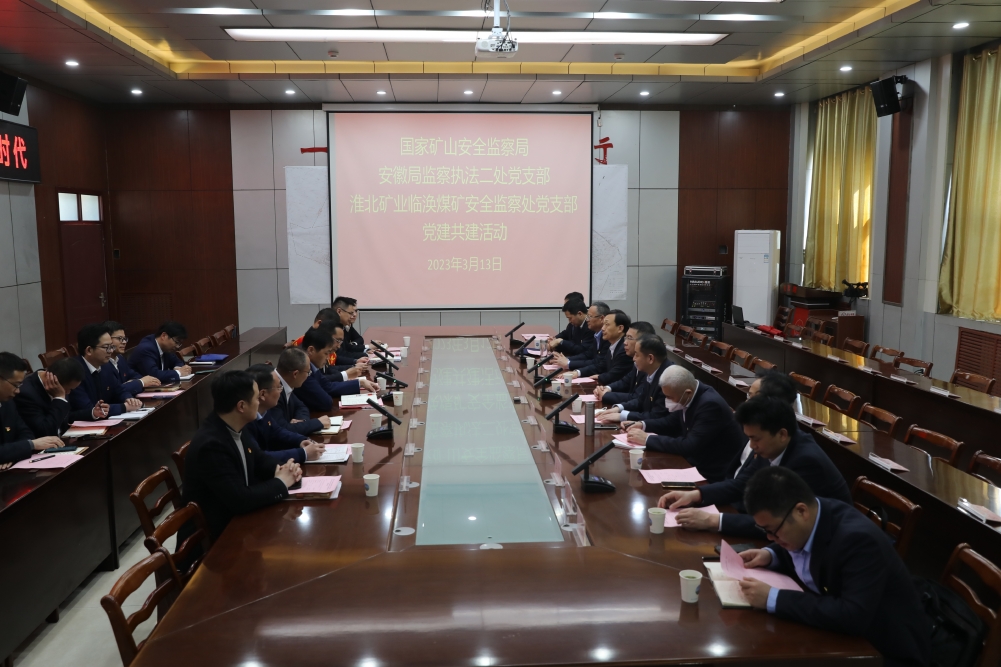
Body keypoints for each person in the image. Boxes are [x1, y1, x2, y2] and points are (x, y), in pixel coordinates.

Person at [738, 466, 931, 667]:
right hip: (839, 635)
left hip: (882, 650)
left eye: (773, 531)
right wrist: (771, 555)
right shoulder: (815, 514)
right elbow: (800, 546)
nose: (770, 538)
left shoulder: (859, 541)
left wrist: (773, 598)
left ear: (801, 511)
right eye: (765, 532)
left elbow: (851, 616)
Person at [659, 394, 852, 537]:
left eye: (755, 439)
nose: (751, 446)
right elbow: (742, 484)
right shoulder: (771, 446)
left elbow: (782, 521)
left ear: (782, 434)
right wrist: (696, 495)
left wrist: (712, 520)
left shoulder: (807, 462)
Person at [178, 370, 302, 541]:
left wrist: (284, 469)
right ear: (241, 406)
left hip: (236, 522)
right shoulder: (212, 446)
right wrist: (281, 482)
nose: (259, 402)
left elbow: (260, 459)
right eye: (257, 398)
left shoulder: (234, 425)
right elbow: (241, 500)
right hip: (214, 538)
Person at [622, 365, 744, 482]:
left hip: (711, 472)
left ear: (687, 393)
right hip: (694, 462)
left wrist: (647, 439)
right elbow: (670, 422)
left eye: (669, 397)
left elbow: (689, 445)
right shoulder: (689, 395)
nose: (667, 401)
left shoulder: (710, 405)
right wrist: (643, 424)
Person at [244, 364, 326, 464]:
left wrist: (301, 440)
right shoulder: (245, 421)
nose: (281, 391)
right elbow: (259, 457)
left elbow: (277, 431)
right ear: (262, 394)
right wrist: (304, 453)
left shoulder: (264, 411)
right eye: (279, 387)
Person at [68, 324, 142, 419]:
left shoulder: (106, 366)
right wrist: (124, 407)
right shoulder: (74, 372)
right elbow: (89, 409)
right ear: (89, 350)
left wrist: (129, 399)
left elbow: (119, 390)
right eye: (106, 347)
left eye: (111, 346)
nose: (111, 351)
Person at [0, 353, 64, 463]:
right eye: (16, 385)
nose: (18, 391)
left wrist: (11, 454)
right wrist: (31, 445)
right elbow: (29, 442)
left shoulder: (8, 403)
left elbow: (25, 433)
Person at [293, 327, 375, 412]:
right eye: (326, 353)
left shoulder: (312, 366)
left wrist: (360, 383)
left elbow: (328, 386)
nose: (328, 358)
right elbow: (325, 402)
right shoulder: (302, 370)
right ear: (311, 350)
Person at [595, 335, 671, 424]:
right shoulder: (652, 369)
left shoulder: (668, 379)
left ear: (650, 358)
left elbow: (656, 416)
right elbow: (640, 401)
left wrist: (623, 416)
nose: (634, 359)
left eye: (636, 355)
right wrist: (618, 408)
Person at [14, 357, 84, 437]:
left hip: (65, 438)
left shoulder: (61, 382)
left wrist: (92, 413)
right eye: (69, 389)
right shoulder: (25, 394)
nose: (68, 392)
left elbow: (66, 416)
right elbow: (45, 431)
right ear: (55, 381)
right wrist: (59, 399)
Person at [269, 347, 330, 436]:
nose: (308, 376)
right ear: (295, 374)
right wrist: (318, 423)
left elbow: (301, 406)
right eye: (308, 372)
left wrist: (301, 421)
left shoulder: (286, 382)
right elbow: (282, 430)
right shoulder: (273, 390)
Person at [593, 322, 658, 406]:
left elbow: (637, 397)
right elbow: (625, 381)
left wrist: (605, 395)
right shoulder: (636, 361)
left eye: (629, 338)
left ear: (644, 341)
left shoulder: (649, 365)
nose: (625, 342)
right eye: (625, 337)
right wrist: (606, 388)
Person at [563, 310, 633, 385]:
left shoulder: (625, 348)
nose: (603, 328)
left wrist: (600, 377)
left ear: (620, 328)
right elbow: (601, 366)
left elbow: (615, 375)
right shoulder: (613, 345)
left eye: (607, 324)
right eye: (603, 324)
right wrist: (578, 372)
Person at [102, 321, 161, 396]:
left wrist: (129, 384)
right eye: (119, 338)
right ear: (107, 339)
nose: (124, 342)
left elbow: (137, 376)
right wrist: (140, 383)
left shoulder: (120, 358)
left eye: (124, 338)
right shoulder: (102, 363)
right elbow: (115, 392)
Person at [553, 301, 609, 370]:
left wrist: (569, 363)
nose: (587, 320)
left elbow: (597, 362)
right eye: (587, 316)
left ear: (602, 318)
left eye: (590, 317)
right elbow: (588, 354)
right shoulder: (597, 334)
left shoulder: (607, 337)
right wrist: (566, 360)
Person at [332, 296, 366, 363]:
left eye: (355, 311)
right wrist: (358, 359)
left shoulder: (345, 324)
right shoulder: (333, 328)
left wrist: (365, 351)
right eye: (351, 313)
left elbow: (349, 346)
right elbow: (340, 355)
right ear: (339, 311)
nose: (354, 315)